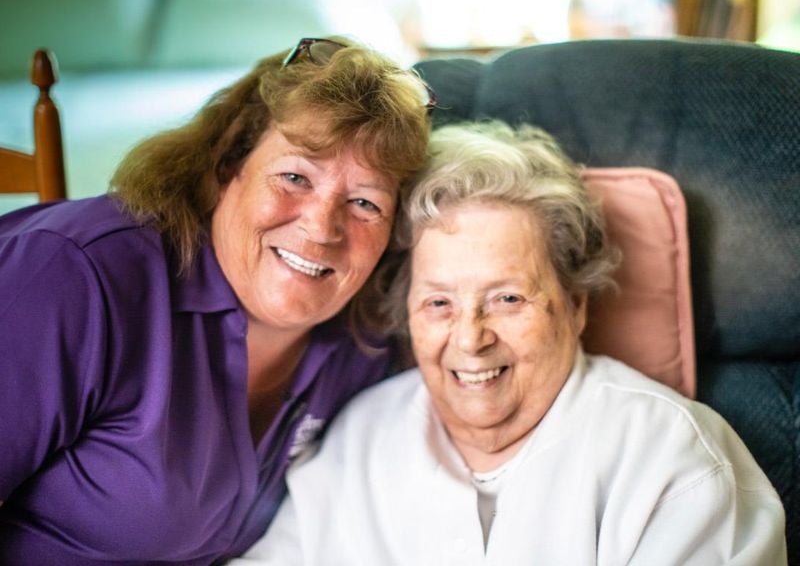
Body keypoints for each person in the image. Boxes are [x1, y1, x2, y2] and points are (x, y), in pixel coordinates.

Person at [235, 120, 787, 565]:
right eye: (439, 304)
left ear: (575, 305)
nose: (470, 339)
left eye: (507, 299)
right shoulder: (358, 440)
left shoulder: (668, 456)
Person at [0, 36, 434, 564]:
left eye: (366, 202)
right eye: (295, 177)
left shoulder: (367, 338)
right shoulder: (76, 276)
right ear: (229, 167)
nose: (322, 228)